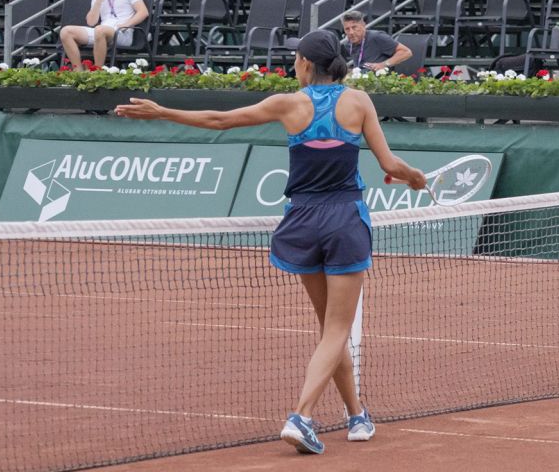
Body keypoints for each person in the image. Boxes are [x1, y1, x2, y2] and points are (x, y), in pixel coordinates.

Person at [115, 30, 428, 454]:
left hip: (302, 221)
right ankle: (301, 416)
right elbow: (389, 163)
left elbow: (220, 121)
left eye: (294, 59)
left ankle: (357, 415)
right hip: (344, 219)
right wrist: (414, 178)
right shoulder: (358, 101)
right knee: (336, 330)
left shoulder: (288, 103)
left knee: (328, 331)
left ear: (304, 63)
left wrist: (161, 112)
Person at [59, 0, 148, 70]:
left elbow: (143, 12)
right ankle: (78, 70)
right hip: (101, 32)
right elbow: (91, 22)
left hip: (122, 32)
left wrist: (127, 24)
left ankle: (98, 71)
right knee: (66, 31)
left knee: (100, 30)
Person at [340, 10, 412, 71]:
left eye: (354, 27)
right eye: (347, 29)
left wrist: (383, 64)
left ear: (363, 25)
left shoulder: (377, 37)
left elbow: (406, 52)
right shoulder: (348, 43)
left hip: (380, 81)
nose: (351, 32)